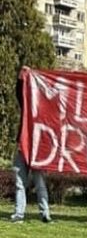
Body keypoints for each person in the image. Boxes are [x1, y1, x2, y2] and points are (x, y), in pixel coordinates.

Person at [10, 74, 51, 223]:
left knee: (40, 183)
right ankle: (19, 214)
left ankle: (45, 213)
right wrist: (21, 79)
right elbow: (19, 93)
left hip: (38, 151)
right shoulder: (27, 107)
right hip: (23, 149)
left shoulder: (46, 113)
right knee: (20, 183)